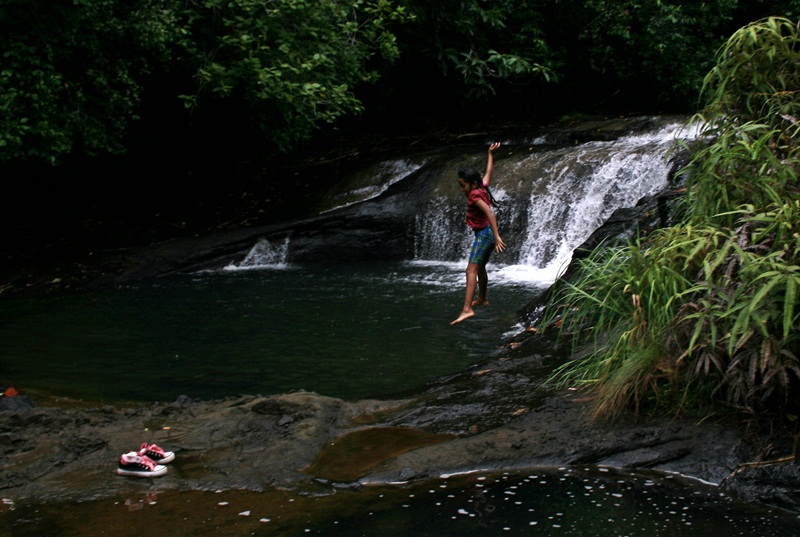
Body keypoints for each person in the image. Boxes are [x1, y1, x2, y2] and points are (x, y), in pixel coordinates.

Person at [451, 142, 507, 325]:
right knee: (480, 268)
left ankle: (467, 309)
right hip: (486, 233)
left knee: (471, 270)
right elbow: (488, 173)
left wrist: (497, 236)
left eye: (463, 186)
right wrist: (490, 154)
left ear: (473, 184)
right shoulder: (481, 187)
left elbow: (490, 213)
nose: (462, 190)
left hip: (485, 234)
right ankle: (482, 298)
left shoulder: (474, 195)